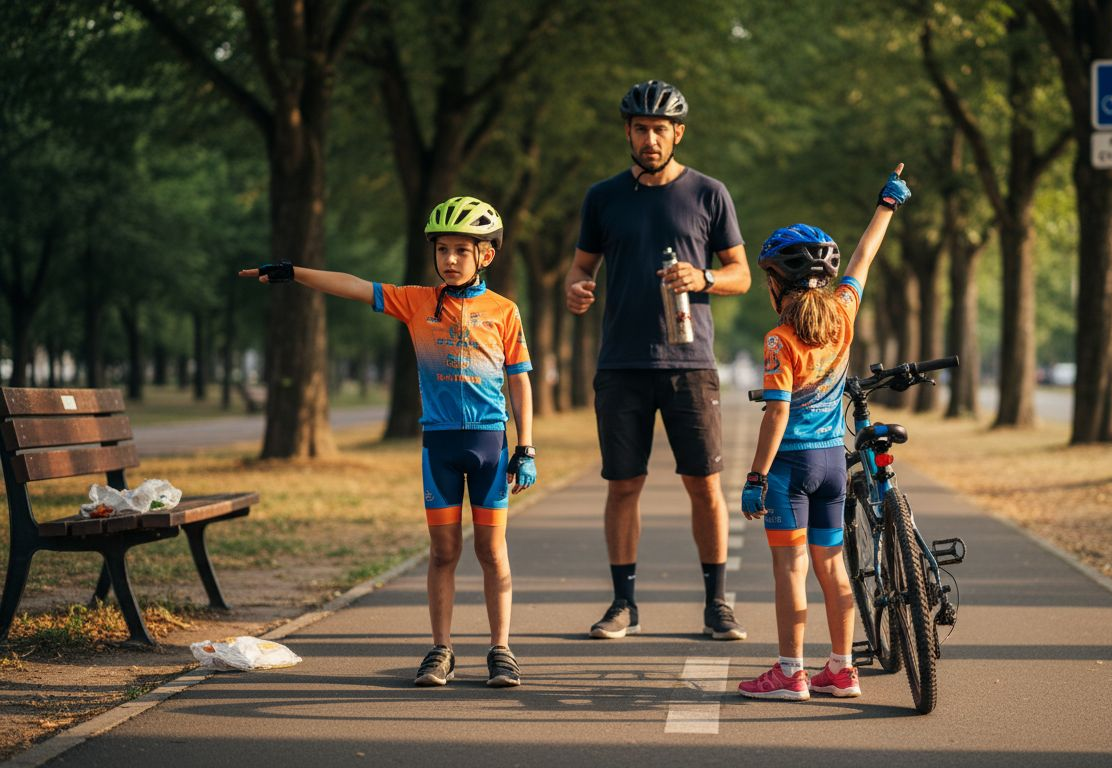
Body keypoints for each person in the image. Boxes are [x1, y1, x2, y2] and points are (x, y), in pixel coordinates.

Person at [239, 196, 536, 688]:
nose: (450, 259)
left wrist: (526, 447)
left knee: (492, 551)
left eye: (463, 250)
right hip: (438, 447)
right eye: (443, 249)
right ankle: (441, 650)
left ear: (487, 255)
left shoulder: (504, 311)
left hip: (490, 446)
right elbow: (356, 287)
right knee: (442, 553)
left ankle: (500, 649)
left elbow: (520, 380)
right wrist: (295, 272)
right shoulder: (417, 301)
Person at [565, 80, 752, 641]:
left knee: (704, 485)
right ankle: (624, 604)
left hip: (690, 363)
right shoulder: (603, 197)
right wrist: (576, 288)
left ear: (678, 133)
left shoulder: (709, 194)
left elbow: (742, 273)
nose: (650, 138)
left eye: (660, 129)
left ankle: (717, 605)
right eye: (640, 128)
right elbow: (579, 269)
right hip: (621, 362)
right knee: (623, 485)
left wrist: (706, 277)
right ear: (628, 132)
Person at [738, 166, 911, 701]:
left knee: (791, 572)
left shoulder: (779, 341)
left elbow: (776, 414)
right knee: (833, 567)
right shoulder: (842, 312)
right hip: (833, 465)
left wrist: (755, 476)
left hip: (790, 470)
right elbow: (864, 259)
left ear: (775, 282)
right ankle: (841, 669)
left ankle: (790, 672)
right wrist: (886, 204)